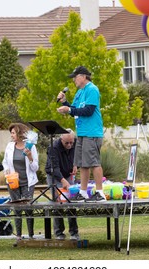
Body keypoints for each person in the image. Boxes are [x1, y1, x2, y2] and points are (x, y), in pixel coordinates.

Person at [57, 66, 106, 202]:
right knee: (83, 164)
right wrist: (65, 103)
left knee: (94, 163)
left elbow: (88, 111)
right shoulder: (79, 92)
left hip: (92, 132)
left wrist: (69, 110)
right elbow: (75, 110)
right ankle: (83, 192)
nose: (74, 80)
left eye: (75, 76)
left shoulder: (92, 89)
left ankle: (100, 193)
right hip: (82, 133)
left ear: (84, 76)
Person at [2, 123, 39, 245]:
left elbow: (35, 167)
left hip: (27, 182)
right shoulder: (10, 146)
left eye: (13, 133)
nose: (11, 135)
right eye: (11, 133)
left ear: (20, 133)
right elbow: (5, 162)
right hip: (13, 182)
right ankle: (18, 236)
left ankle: (31, 235)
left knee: (28, 208)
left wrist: (29, 157)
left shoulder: (30, 147)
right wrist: (6, 169)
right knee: (16, 209)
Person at [45, 128, 80, 240]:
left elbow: (78, 156)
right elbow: (54, 167)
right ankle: (59, 232)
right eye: (67, 143)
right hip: (54, 175)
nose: (69, 145)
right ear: (61, 139)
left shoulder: (75, 143)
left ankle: (74, 232)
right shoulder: (53, 148)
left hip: (68, 173)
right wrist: (62, 180)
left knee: (71, 202)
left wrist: (76, 165)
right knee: (58, 202)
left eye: (71, 142)